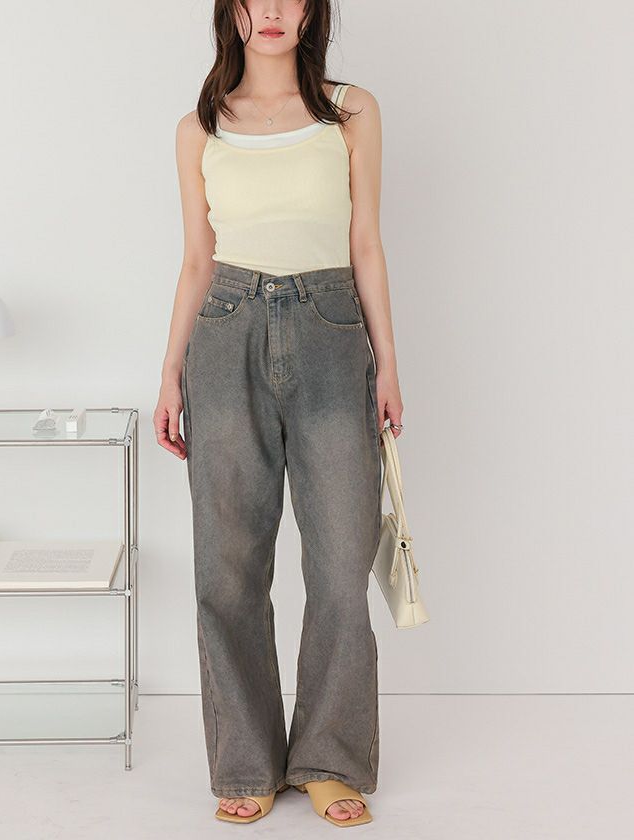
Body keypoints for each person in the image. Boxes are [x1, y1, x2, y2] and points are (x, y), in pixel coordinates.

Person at [154, 0, 404, 827]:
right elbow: (197, 259)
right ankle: (246, 762)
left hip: (333, 331)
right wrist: (169, 374)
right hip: (225, 334)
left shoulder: (350, 111)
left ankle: (329, 757)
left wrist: (387, 364)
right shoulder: (199, 127)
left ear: (311, 11)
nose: (272, 10)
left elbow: (365, 243)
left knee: (341, 563)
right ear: (231, 12)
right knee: (227, 566)